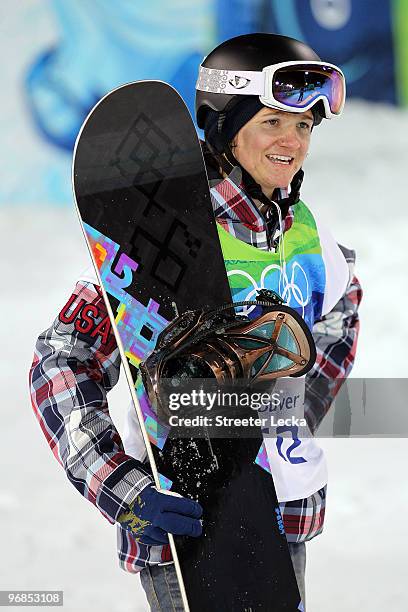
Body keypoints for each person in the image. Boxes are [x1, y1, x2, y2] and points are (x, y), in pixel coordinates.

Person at [29, 33, 362, 611]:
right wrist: (122, 487)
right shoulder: (162, 238)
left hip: (285, 513)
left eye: (305, 126)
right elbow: (61, 361)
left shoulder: (305, 230)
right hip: (190, 529)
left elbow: (343, 305)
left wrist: (290, 403)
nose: (292, 142)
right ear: (226, 126)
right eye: (273, 122)